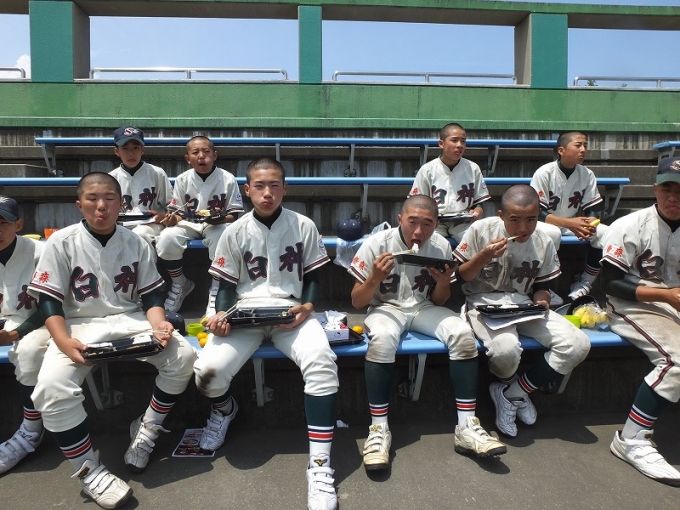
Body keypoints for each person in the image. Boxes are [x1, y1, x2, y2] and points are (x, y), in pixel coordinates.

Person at [28, 173, 196, 509]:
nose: (101, 206)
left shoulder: (136, 241)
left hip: (128, 318)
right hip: (79, 324)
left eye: (109, 198)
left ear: (122, 203)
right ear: (79, 204)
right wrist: (63, 341)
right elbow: (48, 301)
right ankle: (87, 468)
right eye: (92, 198)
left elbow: (151, 296)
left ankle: (148, 426)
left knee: (183, 356)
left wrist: (160, 325)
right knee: (51, 388)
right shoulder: (60, 241)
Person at [194, 158, 340, 510]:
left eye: (274, 185)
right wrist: (221, 315)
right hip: (246, 312)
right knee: (207, 372)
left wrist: (308, 307)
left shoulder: (303, 225)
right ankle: (225, 410)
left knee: (322, 362)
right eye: (259, 186)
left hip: (292, 311)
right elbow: (226, 286)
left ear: (285, 188)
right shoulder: (234, 231)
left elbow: (314, 278)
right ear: (247, 190)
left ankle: (320, 466)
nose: (267, 192)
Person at [349, 194, 506, 472]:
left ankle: (466, 426)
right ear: (400, 219)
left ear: (436, 224)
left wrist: (444, 283)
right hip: (385, 308)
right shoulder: (376, 243)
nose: (419, 231)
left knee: (463, 333)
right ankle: (378, 429)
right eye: (412, 222)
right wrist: (374, 278)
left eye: (427, 224)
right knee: (382, 339)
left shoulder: (441, 245)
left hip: (423, 308)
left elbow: (439, 300)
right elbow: (357, 302)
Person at [453, 185, 590, 438]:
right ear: (502, 215)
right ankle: (511, 387)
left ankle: (513, 393)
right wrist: (483, 256)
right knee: (505, 350)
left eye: (531, 219)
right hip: (482, 302)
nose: (523, 227)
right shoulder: (480, 230)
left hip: (524, 304)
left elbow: (543, 285)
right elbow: (460, 276)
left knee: (577, 345)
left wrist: (542, 301)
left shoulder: (543, 240)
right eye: (515, 220)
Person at [601, 156, 680, 486]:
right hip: (631, 302)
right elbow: (609, 283)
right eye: (667, 188)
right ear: (655, 189)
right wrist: (666, 296)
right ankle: (632, 439)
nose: (673, 197)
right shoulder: (630, 225)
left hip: (672, 300)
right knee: (676, 360)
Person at [155, 135, 244, 317]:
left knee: (222, 236)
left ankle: (216, 289)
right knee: (166, 239)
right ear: (188, 158)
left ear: (215, 155)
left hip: (217, 225)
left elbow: (233, 216)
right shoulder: (183, 179)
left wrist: (219, 218)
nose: (201, 156)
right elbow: (178, 213)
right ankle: (180, 283)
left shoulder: (227, 178)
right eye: (195, 152)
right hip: (189, 223)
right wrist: (171, 219)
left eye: (206, 151)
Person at [0, 195, 50, 474]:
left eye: (3, 223)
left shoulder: (40, 252)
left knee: (29, 352)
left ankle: (31, 430)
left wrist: (15, 334)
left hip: (34, 323)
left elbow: (54, 304)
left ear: (18, 224)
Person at [530, 131, 608, 302]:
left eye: (585, 145)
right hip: (543, 223)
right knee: (553, 233)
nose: (583, 150)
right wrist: (570, 223)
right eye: (578, 145)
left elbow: (592, 208)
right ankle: (544, 287)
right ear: (561, 150)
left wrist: (590, 221)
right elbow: (537, 212)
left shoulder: (587, 174)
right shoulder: (544, 173)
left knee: (604, 233)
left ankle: (584, 283)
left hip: (569, 224)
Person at [408, 123, 489, 244]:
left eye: (463, 141)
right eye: (454, 140)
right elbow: (417, 203)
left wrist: (477, 212)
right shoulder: (427, 170)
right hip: (435, 222)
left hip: (463, 222)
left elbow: (479, 204)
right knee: (429, 244)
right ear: (441, 144)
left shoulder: (473, 168)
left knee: (479, 241)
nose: (459, 145)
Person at [109, 126, 173, 248]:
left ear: (142, 150)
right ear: (117, 151)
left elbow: (171, 205)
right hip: (121, 224)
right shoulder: (111, 178)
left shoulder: (157, 173)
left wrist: (164, 217)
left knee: (140, 234)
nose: (131, 153)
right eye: (125, 148)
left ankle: (149, 262)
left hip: (151, 225)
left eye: (135, 148)